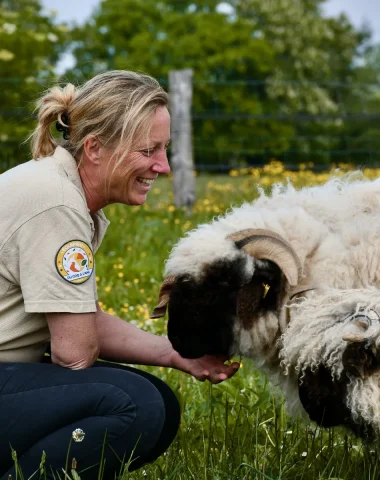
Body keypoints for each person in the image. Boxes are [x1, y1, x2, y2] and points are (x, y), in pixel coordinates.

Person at [0, 70, 240, 479]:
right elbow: (74, 355)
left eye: (164, 149)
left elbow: (78, 319)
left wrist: (175, 354)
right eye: (148, 150)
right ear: (94, 148)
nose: (162, 166)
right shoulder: (57, 205)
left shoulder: (57, 189)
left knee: (157, 400)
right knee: (135, 406)